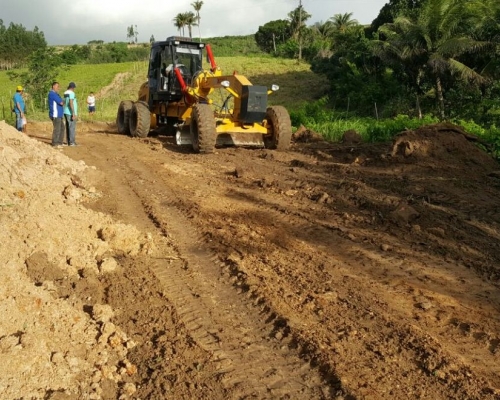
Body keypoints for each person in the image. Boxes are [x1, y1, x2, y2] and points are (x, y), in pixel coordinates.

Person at [48, 81, 65, 147]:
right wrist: (65, 100)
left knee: (62, 128)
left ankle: (59, 142)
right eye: (57, 86)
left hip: (59, 114)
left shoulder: (56, 94)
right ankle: (55, 143)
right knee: (57, 129)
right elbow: (61, 102)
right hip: (55, 114)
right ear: (53, 86)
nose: (58, 88)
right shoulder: (52, 94)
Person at [63, 82, 78, 146]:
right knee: (72, 127)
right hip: (70, 112)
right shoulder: (72, 93)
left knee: (68, 127)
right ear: (73, 87)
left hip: (65, 111)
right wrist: (73, 113)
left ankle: (68, 141)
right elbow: (71, 102)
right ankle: (72, 142)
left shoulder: (65, 93)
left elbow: (64, 102)